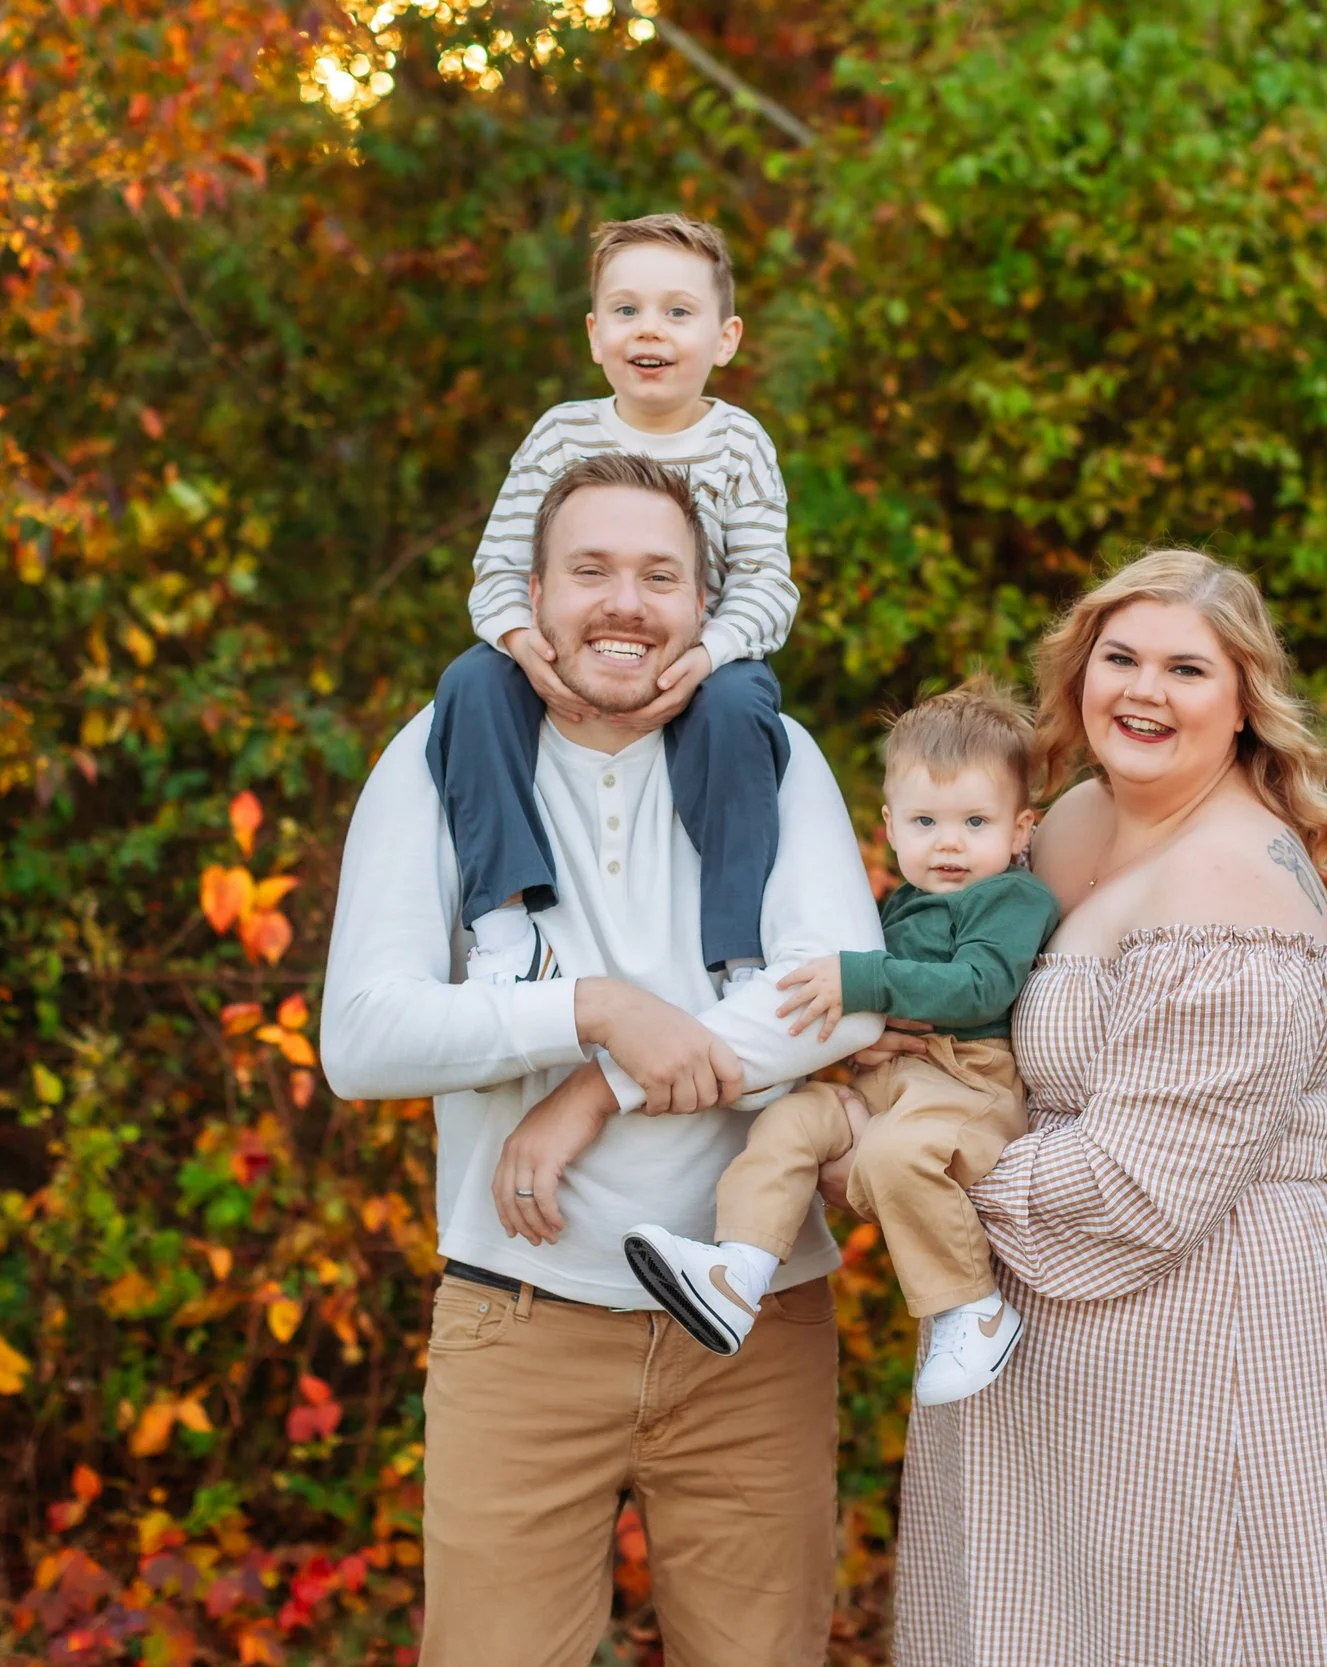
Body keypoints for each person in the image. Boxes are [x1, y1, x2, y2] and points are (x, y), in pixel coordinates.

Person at [318, 450, 881, 1667]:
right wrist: (587, 1005)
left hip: (752, 1330)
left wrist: (601, 1079)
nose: (625, 603)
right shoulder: (440, 752)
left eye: (658, 575)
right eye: (591, 570)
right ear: (532, 592)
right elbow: (362, 1036)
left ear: (701, 604)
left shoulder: (776, 751)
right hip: (518, 1323)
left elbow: (842, 1006)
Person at [880, 548, 1327, 1666]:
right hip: (1041, 1336)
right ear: (1078, 673)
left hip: (1201, 1325)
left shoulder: (1230, 884)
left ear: (1243, 700)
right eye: (1118, 657)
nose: (1143, 691)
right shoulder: (1067, 823)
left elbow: (1139, 1185)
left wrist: (909, 1164)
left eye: (1186, 669)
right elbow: (979, 1016)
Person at [622, 681, 1060, 1406]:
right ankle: (740, 1271)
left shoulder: (1012, 899)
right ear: (890, 825)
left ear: (1020, 830)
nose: (948, 842)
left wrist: (862, 979)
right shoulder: (899, 902)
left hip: (967, 1086)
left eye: (975, 821)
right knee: (791, 1120)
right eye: (926, 820)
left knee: (895, 1155)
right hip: (886, 1085)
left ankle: (972, 1307)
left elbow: (980, 986)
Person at [426, 211, 797, 982]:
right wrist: (523, 645)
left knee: (739, 708)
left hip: (691, 661)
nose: (648, 330)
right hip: (568, 655)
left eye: (678, 312)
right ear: (595, 335)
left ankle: (739, 951)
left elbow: (766, 583)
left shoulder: (740, 446)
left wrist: (709, 656)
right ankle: (505, 928)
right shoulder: (561, 435)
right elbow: (498, 569)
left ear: (725, 338)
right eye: (626, 311)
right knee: (469, 683)